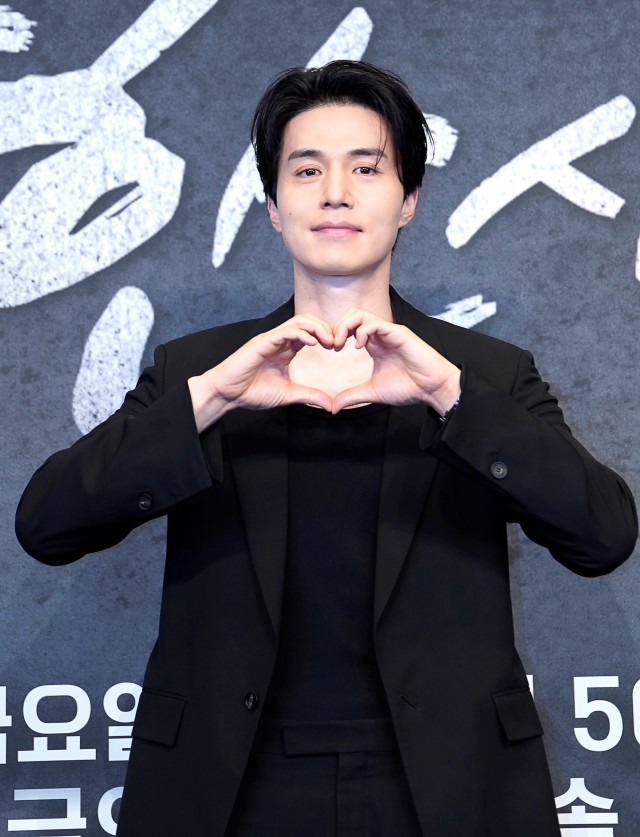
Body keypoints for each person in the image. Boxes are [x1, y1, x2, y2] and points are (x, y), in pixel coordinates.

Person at [15, 60, 637, 837]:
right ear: (273, 206)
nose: (335, 191)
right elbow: (47, 524)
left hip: (444, 783)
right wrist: (211, 400)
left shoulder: (485, 372)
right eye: (306, 169)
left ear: (408, 199)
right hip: (232, 785)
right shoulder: (199, 369)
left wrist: (452, 397)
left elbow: (604, 533)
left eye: (366, 168)